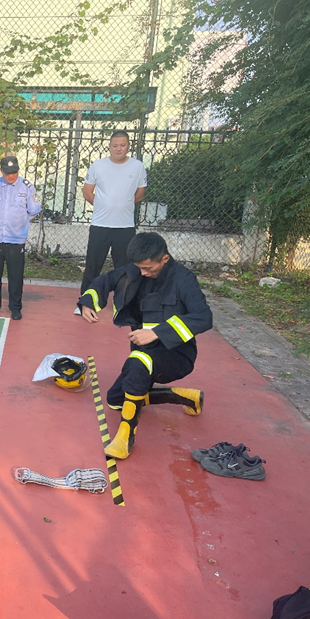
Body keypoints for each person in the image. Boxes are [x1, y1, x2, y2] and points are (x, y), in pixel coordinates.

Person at [78, 232, 212, 459]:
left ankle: (125, 436)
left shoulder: (184, 279)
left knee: (138, 363)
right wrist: (88, 302)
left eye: (148, 268)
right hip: (143, 353)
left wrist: (157, 333)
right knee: (115, 400)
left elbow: (204, 317)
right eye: (139, 268)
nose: (142, 273)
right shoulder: (137, 270)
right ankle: (186, 397)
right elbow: (105, 280)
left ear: (165, 259)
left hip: (176, 355)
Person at [77, 130, 147, 315]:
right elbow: (87, 192)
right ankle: (87, 303)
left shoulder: (138, 167)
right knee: (93, 265)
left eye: (122, 145)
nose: (118, 149)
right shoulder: (98, 166)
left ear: (128, 146)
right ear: (109, 146)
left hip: (125, 227)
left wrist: (122, 205)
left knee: (124, 268)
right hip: (100, 225)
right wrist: (104, 205)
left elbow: (140, 194)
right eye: (115, 145)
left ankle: (121, 304)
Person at [0, 156, 41, 320]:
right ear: (1, 171)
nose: (11, 176)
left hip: (16, 239)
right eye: (8, 173)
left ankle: (15, 307)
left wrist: (21, 222)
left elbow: (34, 210)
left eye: (14, 172)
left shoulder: (27, 187)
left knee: (15, 275)